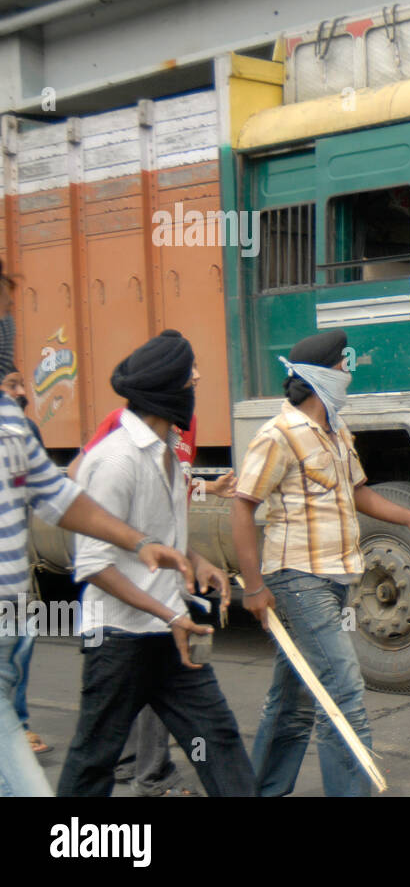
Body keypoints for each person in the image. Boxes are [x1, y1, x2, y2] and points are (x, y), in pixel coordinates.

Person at [232, 329, 410, 797]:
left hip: (334, 577)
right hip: (296, 579)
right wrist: (253, 586)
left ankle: (260, 788)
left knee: (293, 695)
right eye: (341, 366)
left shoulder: (335, 430)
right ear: (317, 377)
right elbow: (242, 504)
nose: (347, 374)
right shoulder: (279, 435)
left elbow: (357, 494)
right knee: (344, 689)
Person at [0, 264, 191, 797]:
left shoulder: (13, 422)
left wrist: (141, 542)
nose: (6, 332)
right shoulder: (116, 444)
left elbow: (60, 497)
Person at [57, 330, 254, 797]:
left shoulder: (169, 454)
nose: (196, 383)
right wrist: (168, 613)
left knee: (218, 740)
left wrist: (199, 560)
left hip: (172, 636)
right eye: (190, 378)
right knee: (94, 760)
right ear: (168, 390)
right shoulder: (115, 460)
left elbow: (160, 535)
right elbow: (91, 564)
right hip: (120, 640)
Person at [0, 350, 51, 756]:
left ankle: (16, 725)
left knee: (25, 639)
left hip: (16, 568)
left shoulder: (24, 430)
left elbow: (50, 492)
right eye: (13, 384)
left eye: (23, 385)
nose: (23, 393)